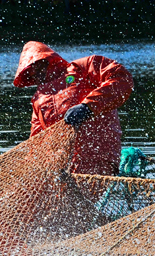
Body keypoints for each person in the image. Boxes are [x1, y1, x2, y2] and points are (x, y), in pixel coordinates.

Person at [13, 41, 134, 175]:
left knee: (86, 191)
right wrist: (29, 168)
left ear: (46, 61)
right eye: (30, 71)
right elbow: (37, 139)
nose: (35, 73)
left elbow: (121, 78)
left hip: (98, 155)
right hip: (61, 165)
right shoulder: (39, 99)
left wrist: (87, 107)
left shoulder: (82, 67)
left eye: (36, 67)